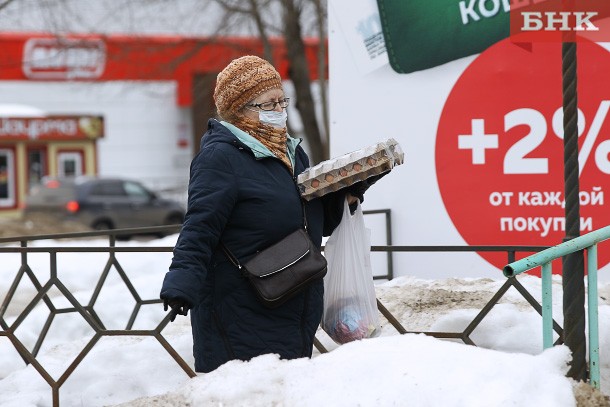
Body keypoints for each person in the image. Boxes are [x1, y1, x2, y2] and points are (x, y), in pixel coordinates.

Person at [160, 55, 375, 373]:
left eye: (281, 100)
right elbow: (200, 226)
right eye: (268, 104)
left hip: (294, 299)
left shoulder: (291, 152)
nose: (280, 111)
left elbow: (311, 219)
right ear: (239, 110)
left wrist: (349, 193)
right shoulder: (220, 158)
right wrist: (180, 283)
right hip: (242, 309)